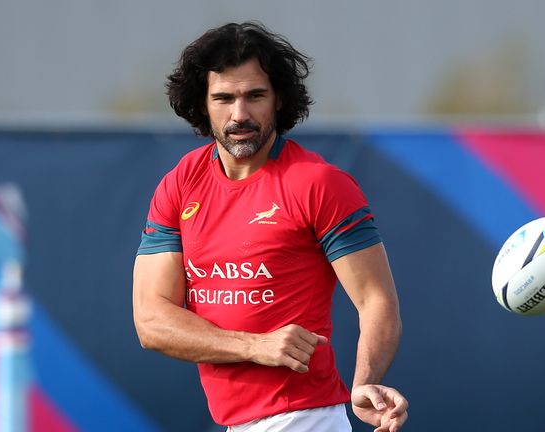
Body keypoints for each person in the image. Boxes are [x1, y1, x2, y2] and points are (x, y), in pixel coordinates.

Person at [132, 21, 408, 432]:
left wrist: (364, 382)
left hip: (304, 418)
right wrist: (253, 345)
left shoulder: (319, 183)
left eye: (255, 96)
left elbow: (377, 301)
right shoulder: (180, 182)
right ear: (202, 104)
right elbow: (151, 321)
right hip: (236, 423)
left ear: (278, 99)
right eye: (224, 98)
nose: (239, 114)